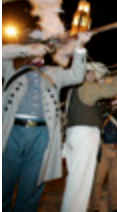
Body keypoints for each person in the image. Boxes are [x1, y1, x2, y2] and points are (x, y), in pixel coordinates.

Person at [2, 33, 90, 212]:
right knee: (3, 183)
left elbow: (77, 76)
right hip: (11, 132)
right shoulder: (11, 67)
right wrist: (26, 49)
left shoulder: (54, 73)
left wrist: (80, 47)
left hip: (42, 135)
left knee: (32, 185)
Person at [62, 62, 117, 212]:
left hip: (77, 134)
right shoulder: (86, 86)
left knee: (77, 178)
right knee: (81, 179)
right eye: (96, 75)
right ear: (90, 73)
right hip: (84, 135)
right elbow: (111, 89)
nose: (97, 78)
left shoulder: (75, 89)